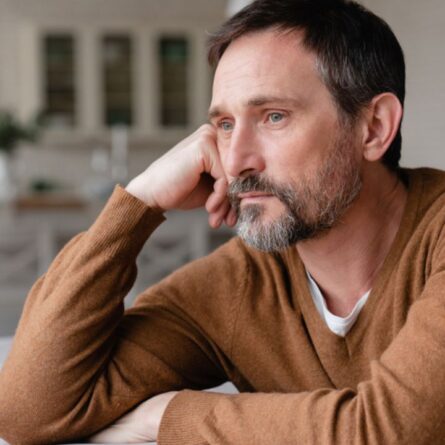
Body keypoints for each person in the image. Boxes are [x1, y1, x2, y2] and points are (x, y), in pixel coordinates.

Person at [1, 0, 445, 443]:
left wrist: (169, 416)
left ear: (373, 128)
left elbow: (393, 433)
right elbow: (26, 411)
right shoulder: (239, 286)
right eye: (225, 125)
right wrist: (140, 201)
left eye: (273, 116)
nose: (235, 161)